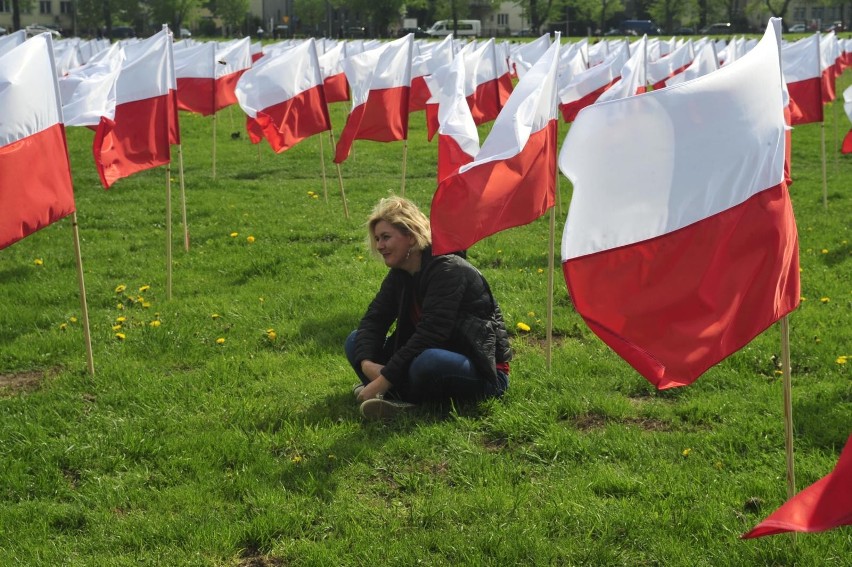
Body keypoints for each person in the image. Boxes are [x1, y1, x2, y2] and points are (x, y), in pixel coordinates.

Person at [345, 197, 512, 420]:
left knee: (428, 361)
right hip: (421, 355)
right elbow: (374, 319)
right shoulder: (400, 273)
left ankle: (397, 396)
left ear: (411, 237)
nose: (379, 246)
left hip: (482, 372)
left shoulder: (448, 269)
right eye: (377, 239)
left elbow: (432, 334)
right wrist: (367, 365)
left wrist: (384, 377)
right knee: (355, 341)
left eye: (386, 237)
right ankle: (397, 395)